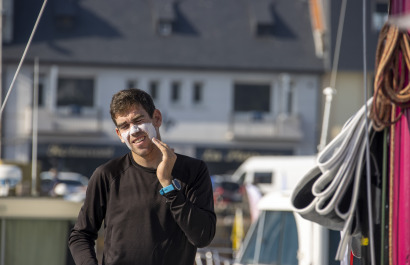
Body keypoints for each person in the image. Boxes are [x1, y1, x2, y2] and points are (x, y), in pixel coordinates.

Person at [68, 88, 216, 265]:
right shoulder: (107, 175)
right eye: (124, 126)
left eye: (138, 120)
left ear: (157, 118)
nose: (134, 130)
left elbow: (202, 237)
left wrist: (167, 185)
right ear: (119, 135)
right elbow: (80, 235)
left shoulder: (194, 171)